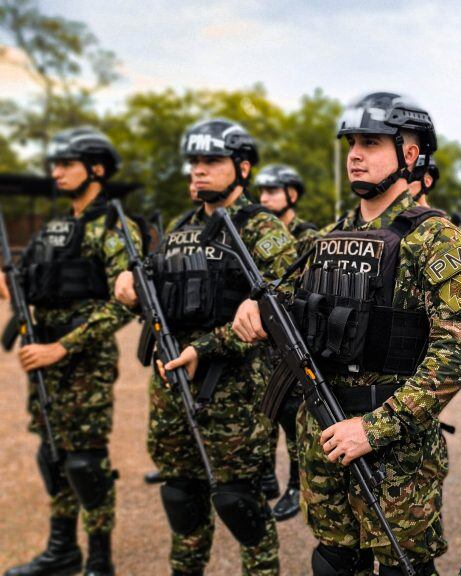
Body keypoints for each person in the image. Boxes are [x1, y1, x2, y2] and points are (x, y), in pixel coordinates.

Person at [231, 91, 461, 575]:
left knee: (400, 566)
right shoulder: (327, 237)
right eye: (351, 143)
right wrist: (254, 307)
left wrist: (375, 428)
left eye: (371, 142)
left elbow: (454, 355)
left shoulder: (433, 236)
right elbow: (281, 296)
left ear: (410, 155)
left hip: (394, 448)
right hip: (324, 433)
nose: (355, 155)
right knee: (332, 561)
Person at [115, 119, 295, 576]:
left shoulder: (262, 230)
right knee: (181, 495)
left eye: (211, 161)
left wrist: (210, 347)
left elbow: (286, 309)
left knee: (239, 503)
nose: (198, 170)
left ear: (242, 167)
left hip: (235, 394)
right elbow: (163, 305)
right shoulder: (178, 229)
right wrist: (132, 290)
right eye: (194, 161)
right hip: (172, 387)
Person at [0, 127, 139, 576]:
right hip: (42, 355)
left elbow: (127, 303)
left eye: (66, 164)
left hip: (83, 358)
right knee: (51, 454)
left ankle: (98, 559)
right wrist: (4, 279)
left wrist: (63, 347)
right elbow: (25, 271)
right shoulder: (54, 227)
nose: (55, 172)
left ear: (96, 169)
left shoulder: (115, 227)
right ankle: (61, 549)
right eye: (54, 164)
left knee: (85, 461)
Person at [254, 162, 321, 520]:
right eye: (261, 192)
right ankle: (266, 476)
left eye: (272, 191)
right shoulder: (254, 234)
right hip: (260, 343)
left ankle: (297, 483)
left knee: (294, 419)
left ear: (291, 195)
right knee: (263, 412)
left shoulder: (308, 238)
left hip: (292, 340)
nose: (264, 198)